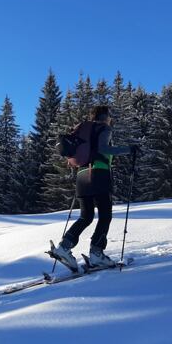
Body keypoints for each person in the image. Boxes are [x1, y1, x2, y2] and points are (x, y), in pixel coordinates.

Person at [52, 105, 139, 271]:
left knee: (86, 217)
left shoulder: (83, 130)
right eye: (109, 116)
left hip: (82, 176)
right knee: (105, 215)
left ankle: (64, 247)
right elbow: (104, 149)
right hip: (99, 174)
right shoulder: (103, 128)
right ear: (105, 116)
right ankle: (97, 253)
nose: (110, 119)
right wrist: (129, 149)